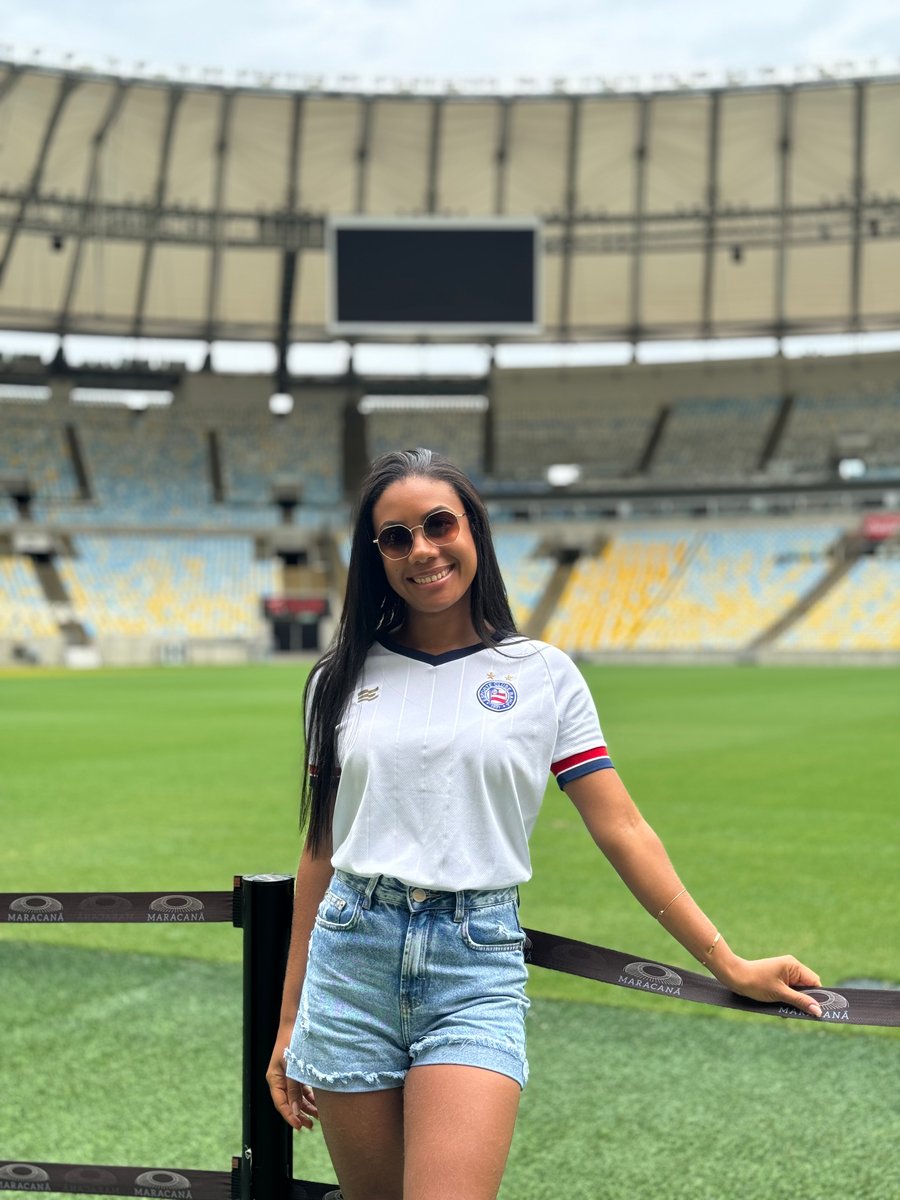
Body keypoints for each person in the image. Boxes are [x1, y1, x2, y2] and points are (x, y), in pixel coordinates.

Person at [266, 448, 822, 1200]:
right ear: (376, 558)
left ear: (474, 531)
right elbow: (320, 852)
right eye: (396, 538)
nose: (422, 550)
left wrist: (728, 962)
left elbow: (621, 827)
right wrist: (290, 1021)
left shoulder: (543, 675)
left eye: (439, 525)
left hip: (474, 964)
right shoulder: (336, 680)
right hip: (351, 960)